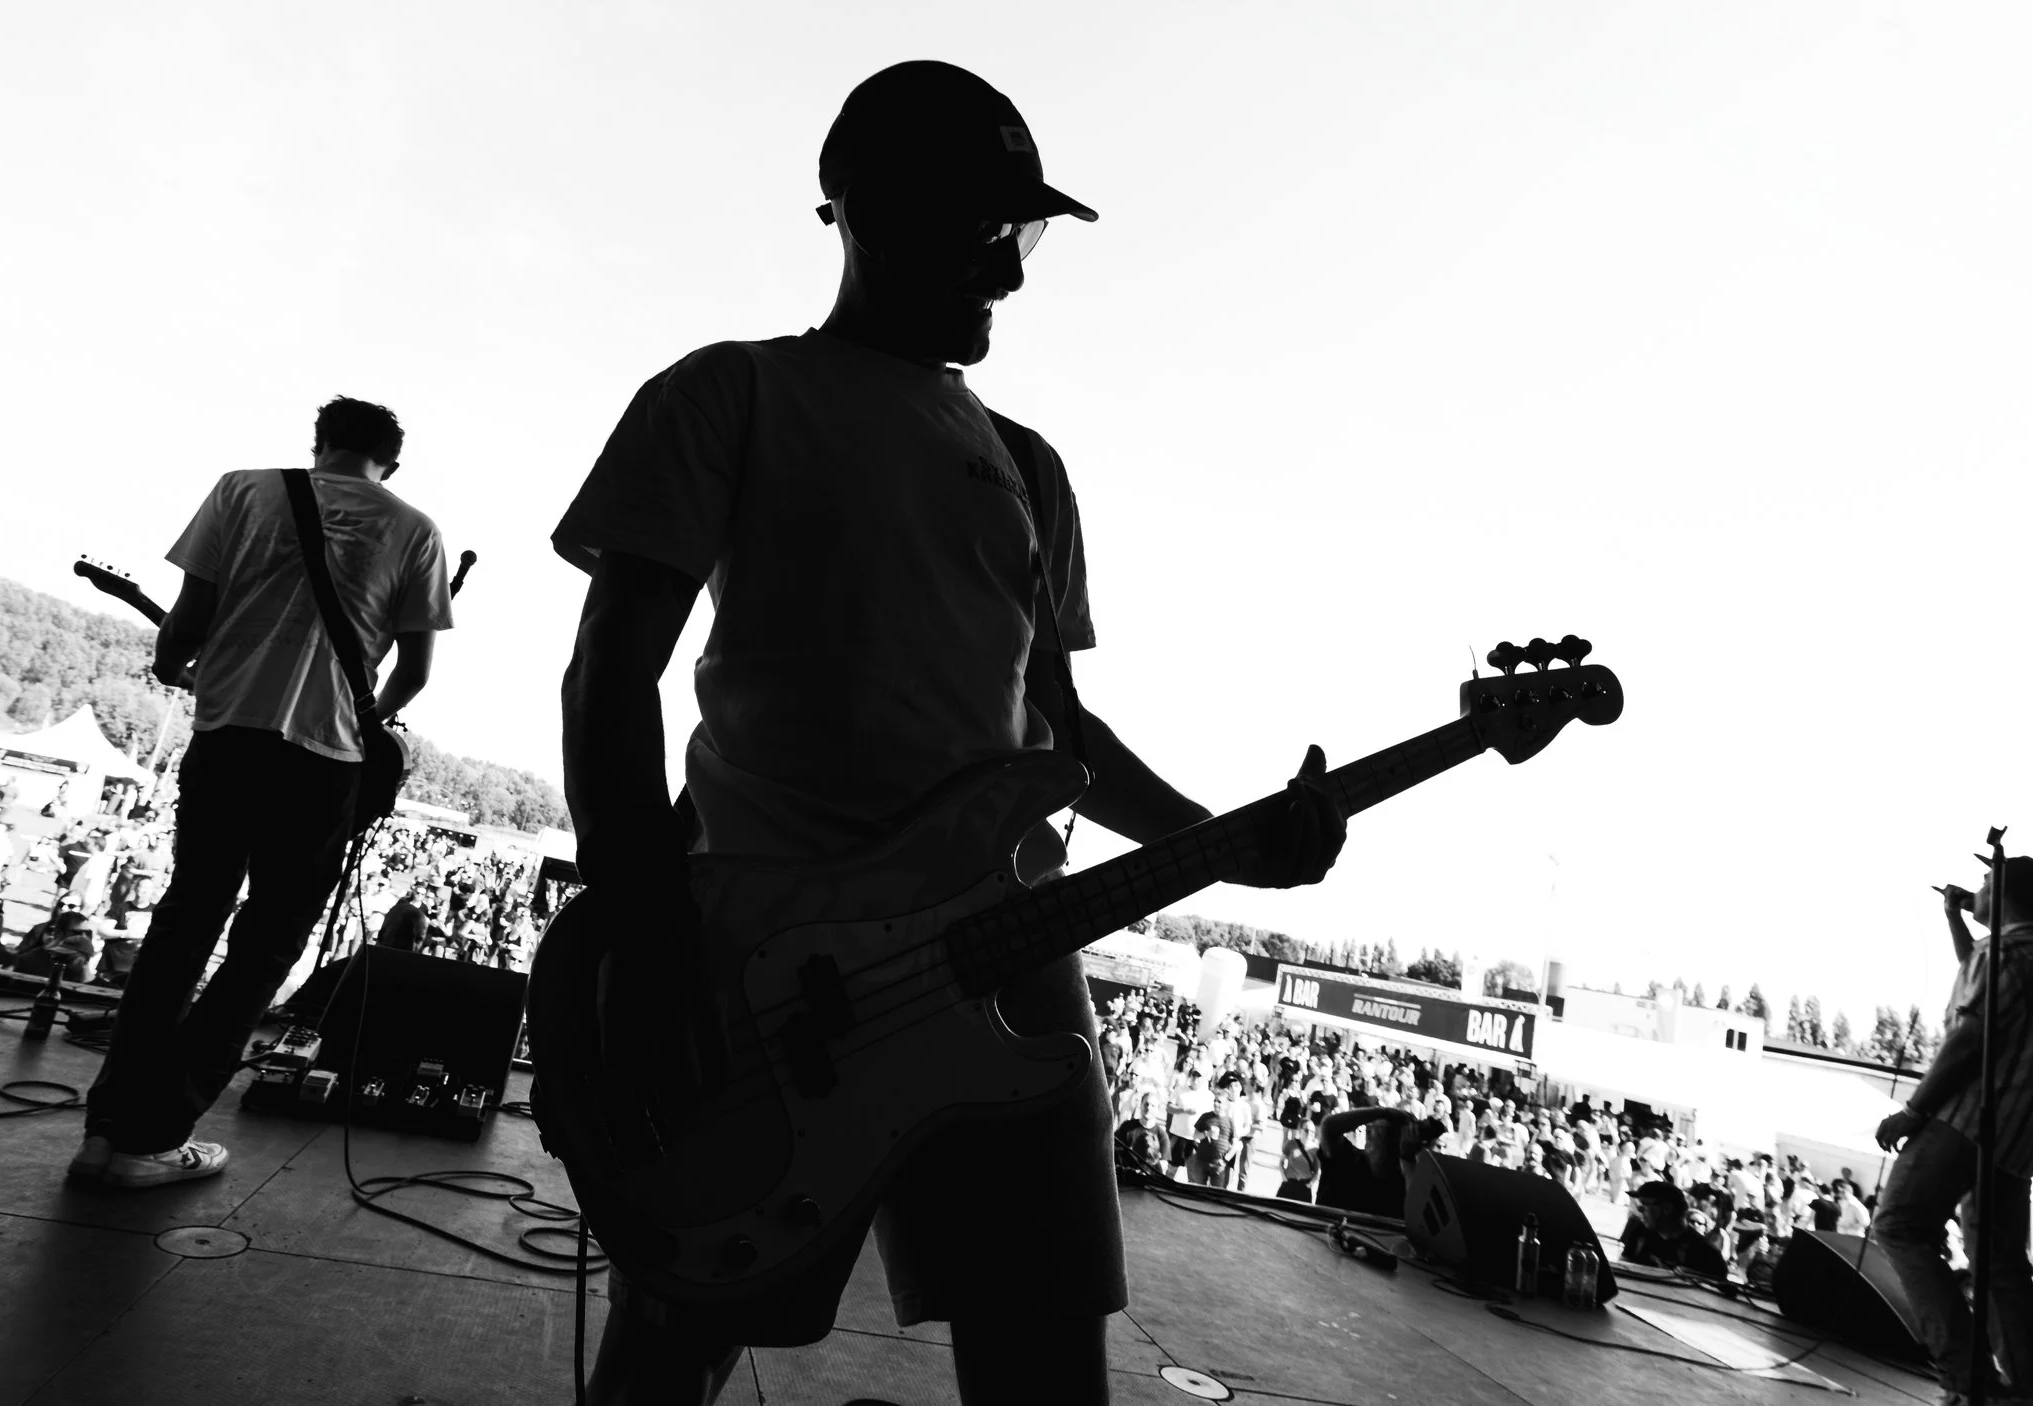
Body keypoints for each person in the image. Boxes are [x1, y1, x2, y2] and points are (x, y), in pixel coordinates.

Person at [551, 60, 1346, 1405]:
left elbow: (1062, 735)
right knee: (670, 1353)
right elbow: (608, 674)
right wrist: (647, 930)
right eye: (987, 229)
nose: (1013, 273)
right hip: (763, 961)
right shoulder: (728, 392)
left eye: (1020, 233)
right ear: (867, 209)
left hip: (1007, 959)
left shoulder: (1030, 467)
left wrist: (1229, 841)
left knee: (1046, 1373)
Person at [76, 395, 451, 1191]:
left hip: (227, 738)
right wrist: (370, 720)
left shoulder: (242, 489)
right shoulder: (416, 531)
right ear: (390, 464)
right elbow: (414, 673)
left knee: (185, 923)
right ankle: (157, 1133)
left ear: (318, 443)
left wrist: (172, 665)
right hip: (325, 759)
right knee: (265, 948)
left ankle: (107, 1129)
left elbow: (189, 620)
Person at [1872, 856, 2033, 1406]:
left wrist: (1914, 1111)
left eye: (1987, 881)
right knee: (2000, 1263)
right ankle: (2032, 1391)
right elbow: (1987, 986)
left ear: (2004, 889)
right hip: (2021, 1136)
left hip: (1966, 1120)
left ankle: (1968, 1381)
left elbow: (1970, 1036)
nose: (1977, 888)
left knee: (1900, 1226)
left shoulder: (2002, 953)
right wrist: (1955, 918)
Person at [1313, 1105, 1446, 1217]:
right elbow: (1329, 1126)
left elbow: (1416, 1219)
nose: (1369, 1133)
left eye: (1376, 1130)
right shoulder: (1348, 1160)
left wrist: (1408, 1158)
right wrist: (1382, 1112)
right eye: (1369, 1129)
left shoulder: (1406, 1178)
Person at [1619, 1180, 1731, 1279]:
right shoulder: (1640, 1232)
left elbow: (1721, 1284)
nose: (1640, 1210)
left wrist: (1694, 1276)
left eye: (1644, 1204)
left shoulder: (1705, 1253)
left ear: (1667, 1208)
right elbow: (1623, 1267)